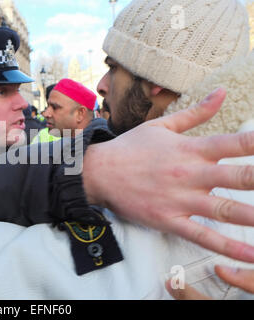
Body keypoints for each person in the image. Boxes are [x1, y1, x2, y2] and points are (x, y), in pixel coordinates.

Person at [0, 25, 254, 267]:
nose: (23, 104)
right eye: (2, 92)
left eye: (18, 91)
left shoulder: (2, 146)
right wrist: (86, 171)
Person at [93, 0, 253, 298]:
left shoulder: (203, 199)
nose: (101, 85)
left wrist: (88, 176)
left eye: (113, 67)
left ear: (156, 79)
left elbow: (13, 274)